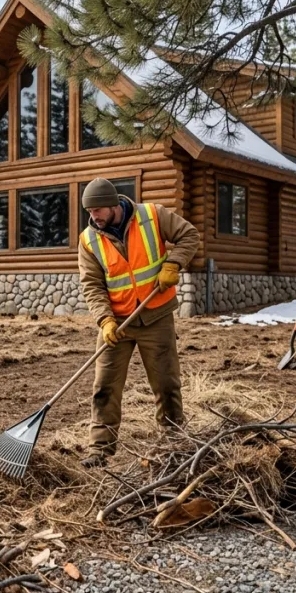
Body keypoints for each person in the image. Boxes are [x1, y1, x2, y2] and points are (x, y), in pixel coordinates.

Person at [76, 177, 200, 468]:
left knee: (166, 383)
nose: (93, 217)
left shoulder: (152, 216)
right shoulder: (88, 240)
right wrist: (105, 320)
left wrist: (174, 263)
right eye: (89, 212)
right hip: (117, 324)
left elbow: (190, 235)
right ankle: (100, 450)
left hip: (155, 315)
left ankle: (173, 440)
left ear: (113, 204)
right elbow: (92, 285)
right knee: (104, 386)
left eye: (98, 211)